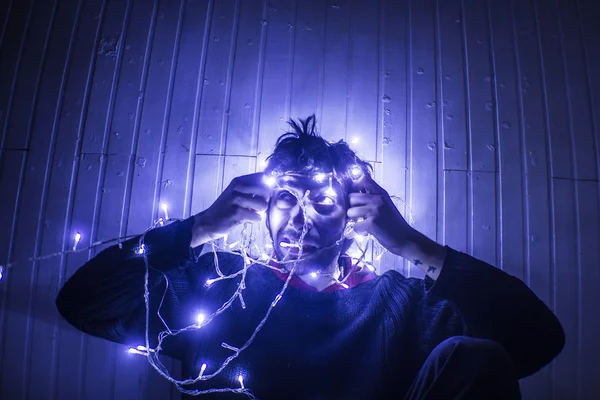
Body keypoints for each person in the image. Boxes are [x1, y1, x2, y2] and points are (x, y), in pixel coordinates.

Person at [56, 115, 564, 399]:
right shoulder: (216, 286)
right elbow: (83, 303)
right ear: (262, 206)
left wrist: (413, 245)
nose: (299, 217)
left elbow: (537, 341)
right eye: (286, 197)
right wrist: (201, 226)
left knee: (475, 355)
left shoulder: (405, 306)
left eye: (322, 202)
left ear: (353, 218)